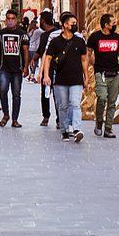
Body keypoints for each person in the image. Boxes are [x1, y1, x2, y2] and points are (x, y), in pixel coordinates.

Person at [42, 11, 88, 142]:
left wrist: (86, 76)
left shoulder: (79, 41)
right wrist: (46, 75)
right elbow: (48, 58)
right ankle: (64, 130)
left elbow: (84, 59)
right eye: (73, 23)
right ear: (65, 25)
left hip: (76, 79)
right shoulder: (55, 41)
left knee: (75, 104)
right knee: (63, 106)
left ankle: (77, 129)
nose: (75, 25)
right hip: (60, 79)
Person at [86, 12, 119, 138]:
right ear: (106, 25)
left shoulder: (117, 37)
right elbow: (88, 54)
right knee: (102, 98)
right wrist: (92, 65)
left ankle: (108, 128)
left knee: (112, 101)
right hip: (101, 72)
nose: (115, 24)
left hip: (115, 73)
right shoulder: (95, 37)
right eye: (113, 23)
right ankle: (99, 121)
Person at [0, 9, 28, 127]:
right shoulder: (0, 33)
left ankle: (15, 119)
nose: (10, 21)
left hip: (17, 69)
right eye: (8, 19)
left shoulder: (22, 34)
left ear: (16, 20)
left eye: (13, 19)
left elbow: (26, 51)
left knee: (16, 94)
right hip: (4, 68)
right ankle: (6, 114)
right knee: (2, 90)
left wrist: (26, 67)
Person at [30, 11, 57, 127]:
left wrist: (34, 60)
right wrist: (34, 59)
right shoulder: (45, 35)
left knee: (50, 94)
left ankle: (48, 117)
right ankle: (50, 116)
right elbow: (41, 51)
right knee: (49, 93)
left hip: (52, 68)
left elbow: (42, 52)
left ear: (43, 21)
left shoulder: (50, 34)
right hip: (50, 68)